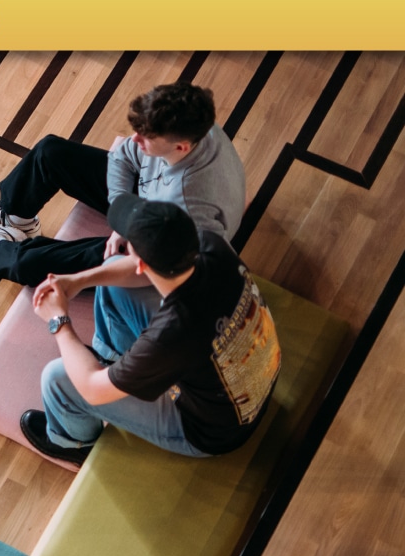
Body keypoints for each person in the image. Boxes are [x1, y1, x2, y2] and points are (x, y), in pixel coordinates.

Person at [20, 193, 281, 466]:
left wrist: (58, 319)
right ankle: (112, 360)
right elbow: (134, 270)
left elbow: (92, 390)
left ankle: (73, 441)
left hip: (213, 431)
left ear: (142, 262)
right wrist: (79, 280)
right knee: (110, 271)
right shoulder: (210, 244)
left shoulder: (172, 333)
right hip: (254, 376)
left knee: (58, 379)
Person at [0, 82, 246, 288]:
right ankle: (16, 220)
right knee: (50, 152)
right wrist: (122, 214)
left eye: (145, 139)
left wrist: (130, 233)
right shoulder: (188, 124)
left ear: (180, 148)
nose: (134, 140)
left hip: (163, 248)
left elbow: (174, 267)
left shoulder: (192, 206)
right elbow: (122, 159)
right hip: (149, 204)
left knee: (29, 264)